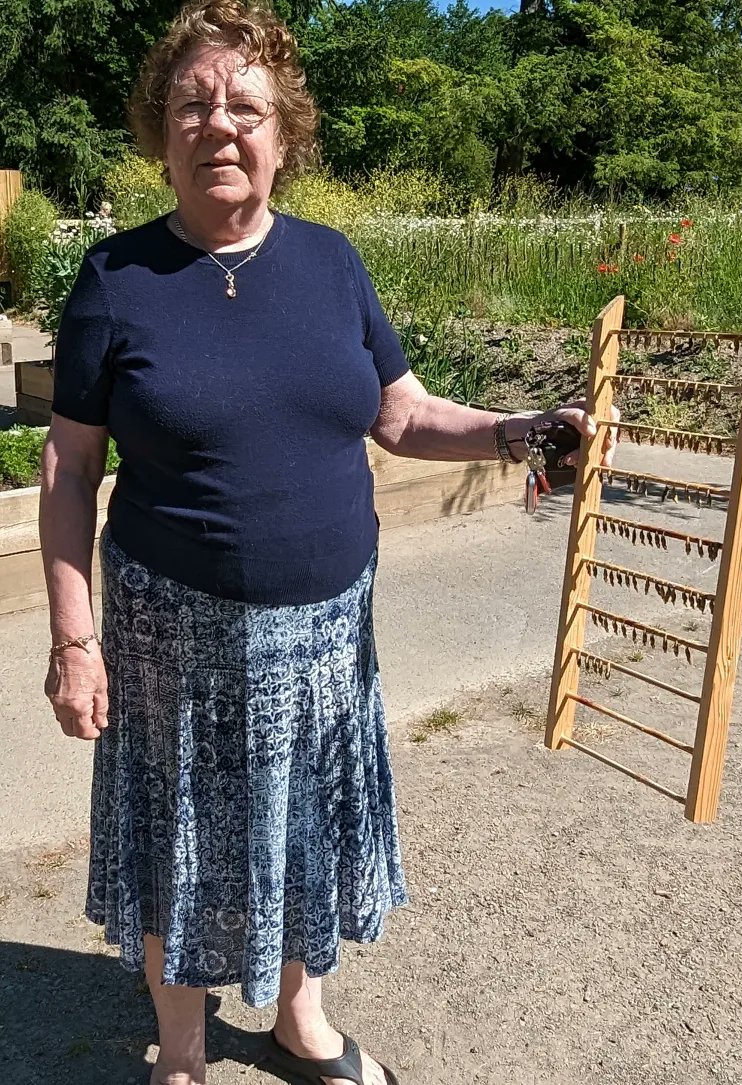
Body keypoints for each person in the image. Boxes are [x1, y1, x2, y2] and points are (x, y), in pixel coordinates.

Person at [39, 3, 616, 1083]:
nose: (219, 125)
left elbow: (401, 415)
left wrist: (524, 430)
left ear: (285, 134)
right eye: (192, 105)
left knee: (307, 822)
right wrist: (75, 637)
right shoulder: (116, 281)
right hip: (172, 633)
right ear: (159, 132)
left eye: (245, 107)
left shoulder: (332, 264)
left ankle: (302, 1016)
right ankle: (178, 1046)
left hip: (327, 633)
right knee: (181, 834)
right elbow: (70, 467)